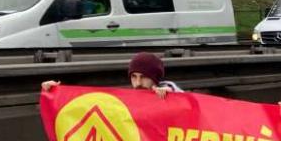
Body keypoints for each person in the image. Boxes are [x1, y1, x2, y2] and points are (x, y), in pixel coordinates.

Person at [40, 52, 182, 98]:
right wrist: (56, 92)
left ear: (155, 78)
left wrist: (170, 95)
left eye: (143, 77)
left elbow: (185, 100)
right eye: (134, 77)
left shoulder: (165, 88)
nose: (138, 83)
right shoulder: (129, 98)